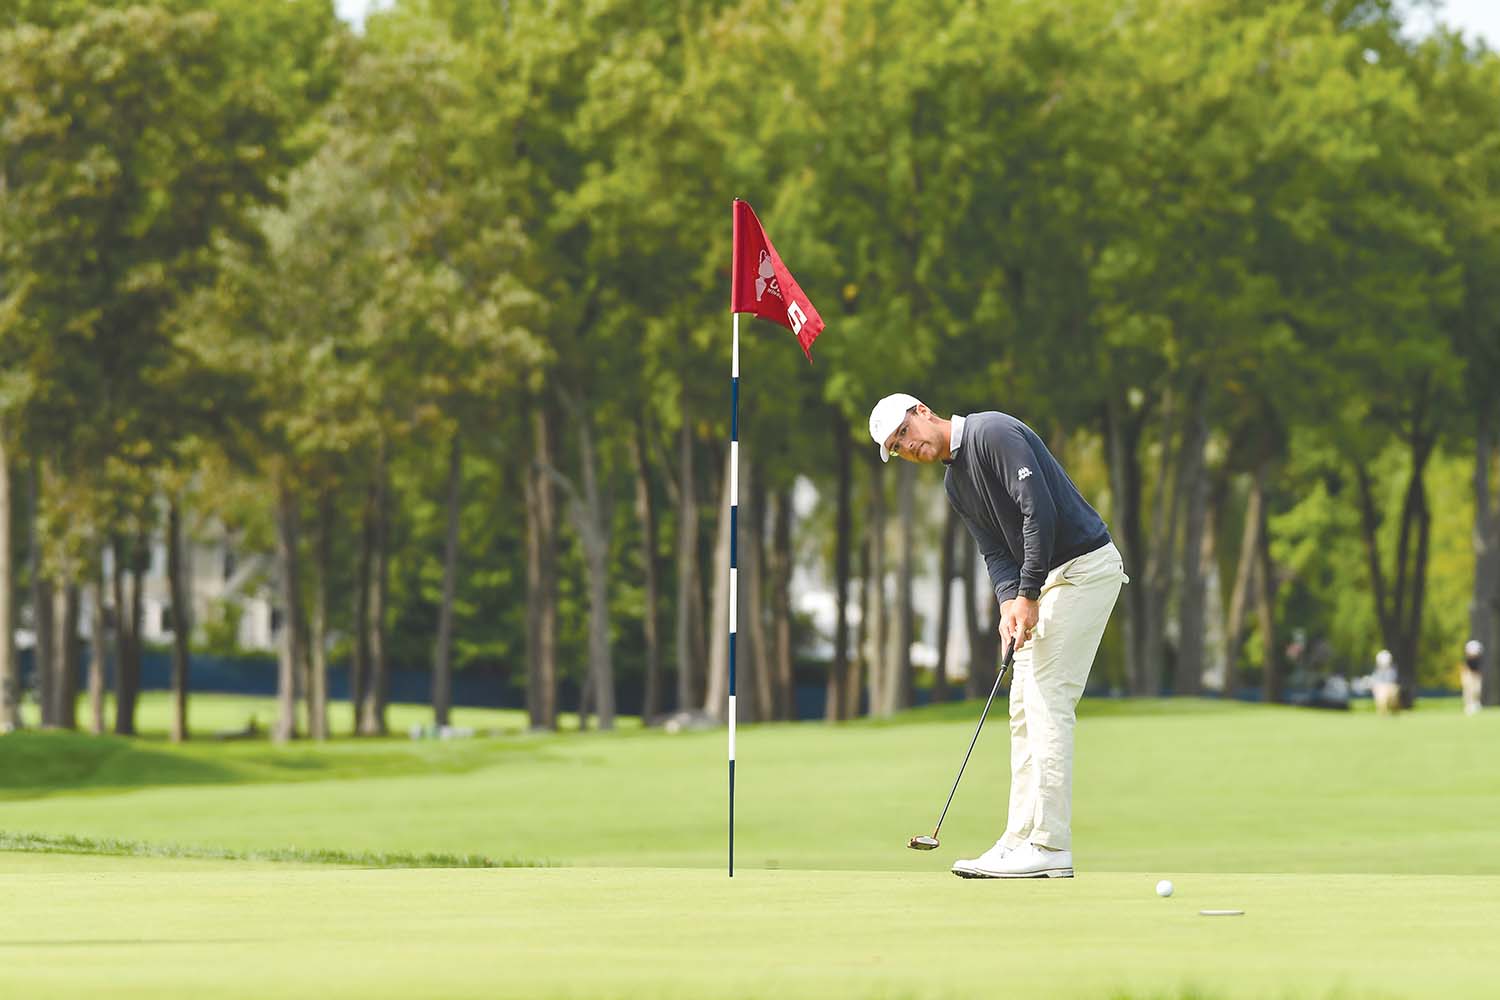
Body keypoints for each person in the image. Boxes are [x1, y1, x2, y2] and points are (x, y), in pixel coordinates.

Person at [869, 393, 1126, 879]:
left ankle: (1050, 846)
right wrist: (1010, 603)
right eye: (897, 448)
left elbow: (1039, 512)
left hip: (1084, 570)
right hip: (1045, 582)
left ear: (923, 411)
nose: (907, 447)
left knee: (1047, 697)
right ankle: (1018, 839)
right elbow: (994, 552)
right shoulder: (954, 483)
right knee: (1022, 707)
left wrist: (1027, 593)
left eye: (904, 433)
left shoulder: (992, 433)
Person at [1370, 648, 1400, 715]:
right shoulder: (1376, 670)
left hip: (1390, 687)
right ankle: (1383, 712)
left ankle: (1394, 711)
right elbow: (1374, 682)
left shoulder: (1392, 670)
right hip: (1380, 688)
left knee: (1393, 695)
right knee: (1381, 698)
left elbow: (1393, 681)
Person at [1461, 639, 1484, 716]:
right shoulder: (1467, 659)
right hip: (1468, 673)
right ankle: (1468, 706)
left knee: (1477, 690)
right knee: (1468, 690)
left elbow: (1478, 670)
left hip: (1476, 674)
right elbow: (1465, 668)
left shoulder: (1478, 659)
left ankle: (1476, 703)